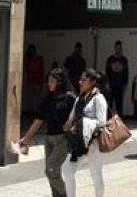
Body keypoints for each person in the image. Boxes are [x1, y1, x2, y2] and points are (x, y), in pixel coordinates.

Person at [20, 69, 76, 197]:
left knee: (51, 170)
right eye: (48, 81)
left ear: (60, 82)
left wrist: (73, 125)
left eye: (52, 81)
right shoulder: (49, 97)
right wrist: (26, 139)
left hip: (62, 139)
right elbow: (39, 119)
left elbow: (80, 115)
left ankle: (64, 195)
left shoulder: (70, 97)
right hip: (48, 140)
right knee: (50, 171)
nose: (49, 84)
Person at [61, 69, 109, 197]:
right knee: (67, 171)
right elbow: (72, 116)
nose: (80, 82)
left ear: (92, 82)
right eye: (80, 79)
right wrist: (69, 124)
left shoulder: (99, 98)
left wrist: (83, 124)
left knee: (96, 175)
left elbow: (101, 122)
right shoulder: (79, 98)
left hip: (93, 144)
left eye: (83, 79)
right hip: (78, 144)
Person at [105, 41, 129, 116]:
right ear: (114, 48)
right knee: (109, 104)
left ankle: (119, 122)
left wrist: (125, 84)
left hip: (120, 85)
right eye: (116, 47)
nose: (118, 49)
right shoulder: (110, 59)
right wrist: (107, 84)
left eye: (119, 48)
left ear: (121, 48)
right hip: (111, 85)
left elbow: (126, 72)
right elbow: (107, 72)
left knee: (119, 105)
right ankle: (108, 120)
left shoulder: (124, 60)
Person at [24, 44, 45, 113]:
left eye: (32, 51)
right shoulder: (28, 59)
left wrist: (41, 83)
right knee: (30, 99)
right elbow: (27, 71)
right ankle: (31, 113)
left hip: (37, 82)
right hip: (30, 81)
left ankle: (36, 113)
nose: (32, 52)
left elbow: (41, 71)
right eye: (30, 51)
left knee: (37, 99)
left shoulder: (39, 59)